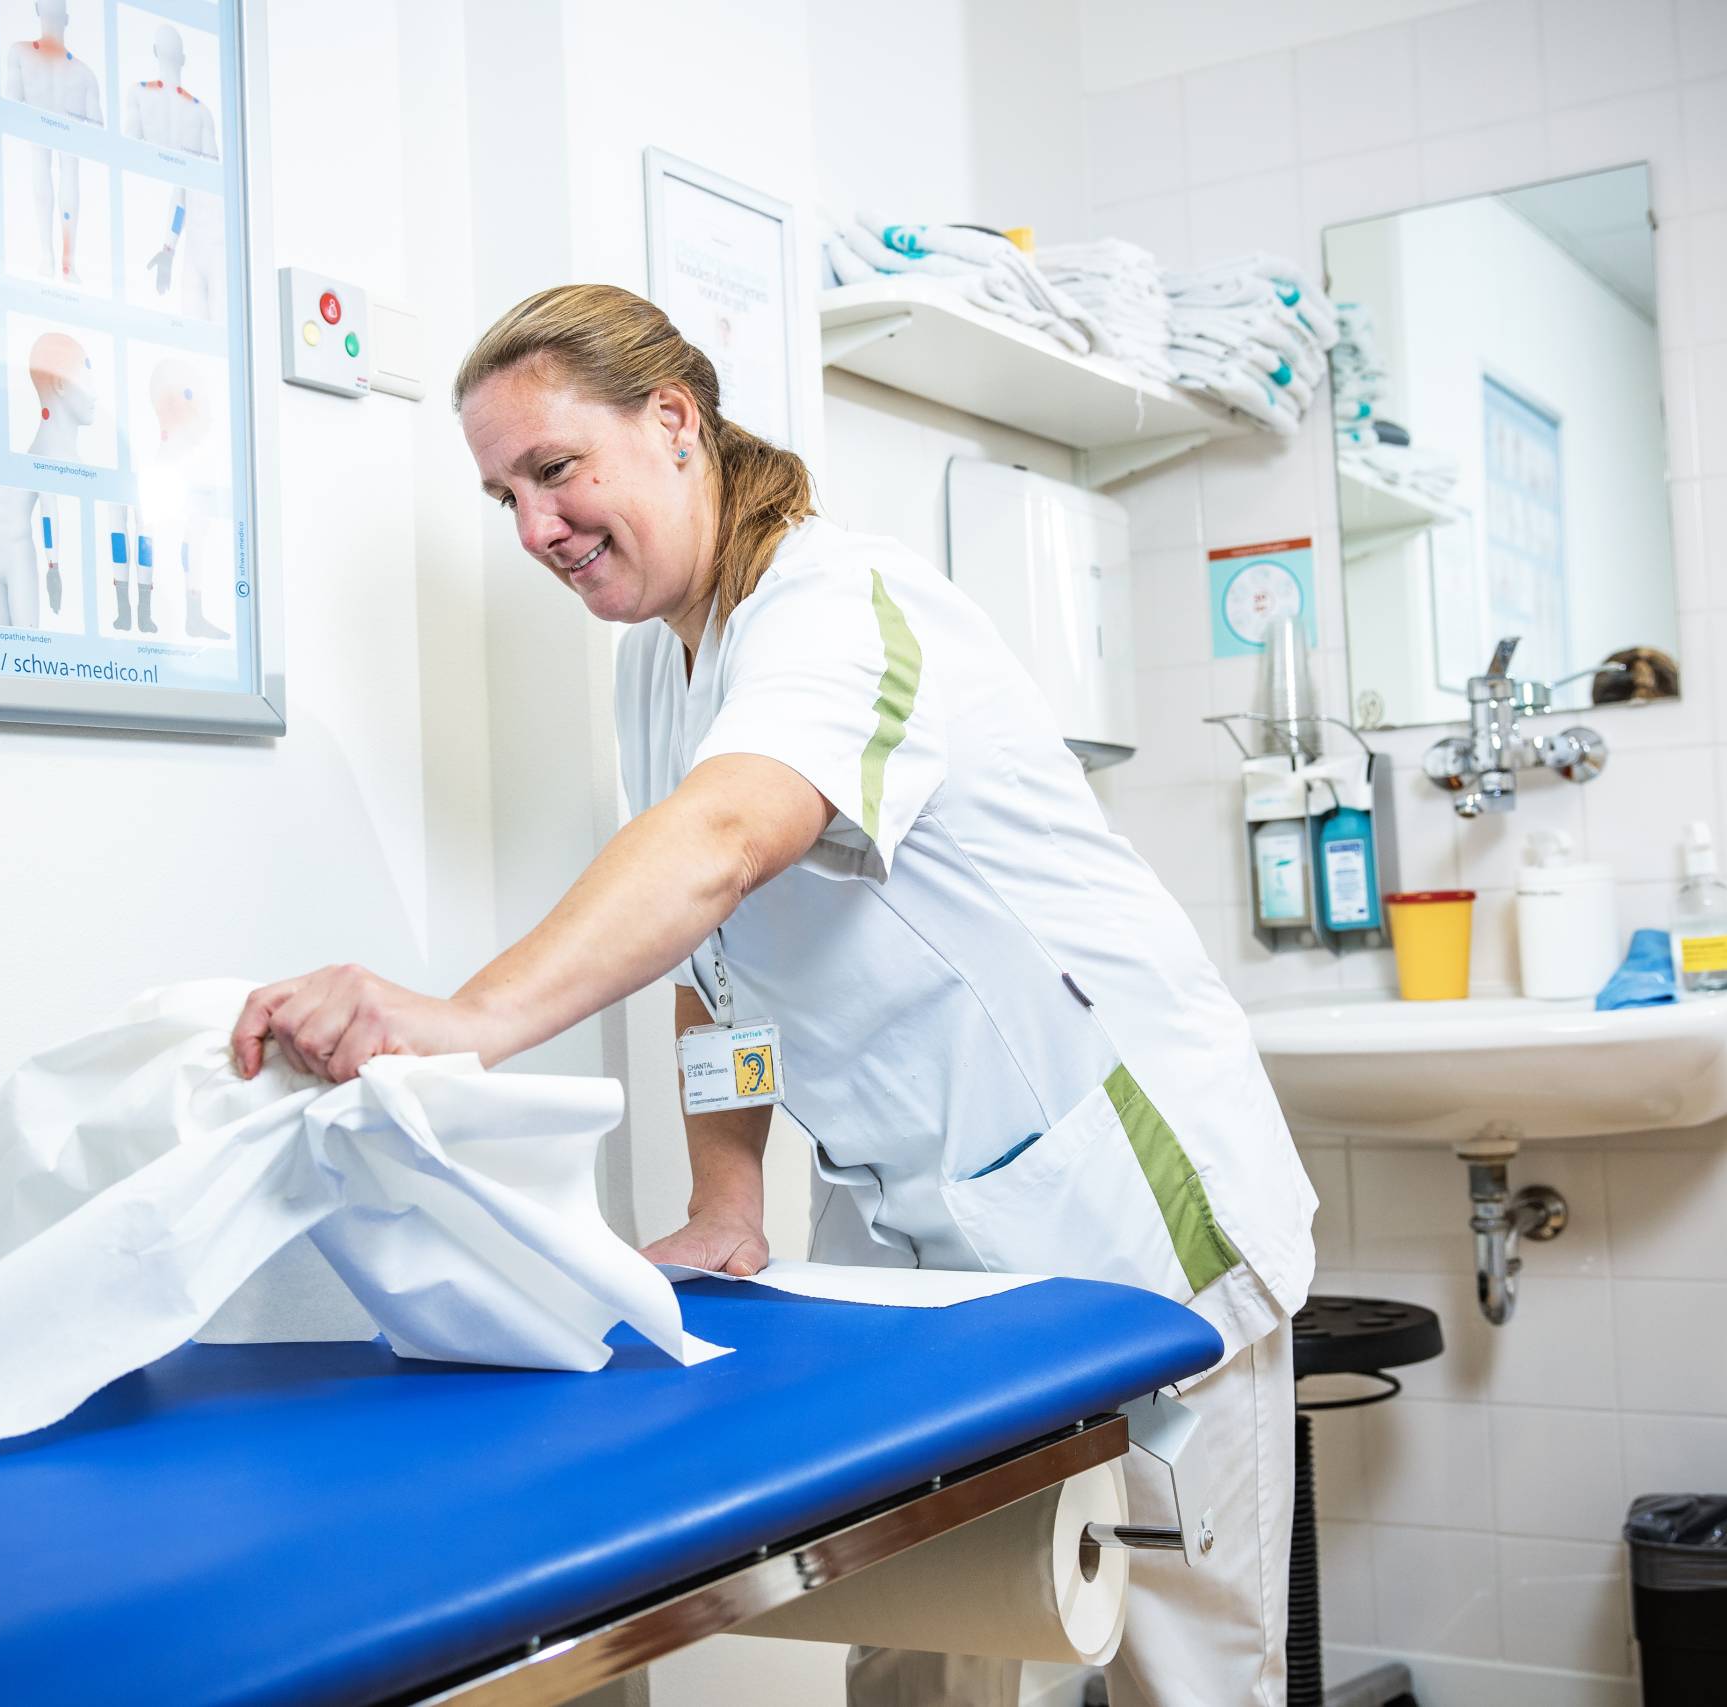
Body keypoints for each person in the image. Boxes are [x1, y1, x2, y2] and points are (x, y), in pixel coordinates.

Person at [232, 284, 1314, 1707]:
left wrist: (467, 1021)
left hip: (1124, 1204)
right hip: (916, 1232)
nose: (535, 529)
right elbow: (716, 957)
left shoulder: (842, 605)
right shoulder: (654, 667)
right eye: (504, 496)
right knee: (926, 1656)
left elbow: (730, 839)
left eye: (554, 471)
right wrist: (728, 1197)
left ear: (673, 423)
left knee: (1184, 1672)